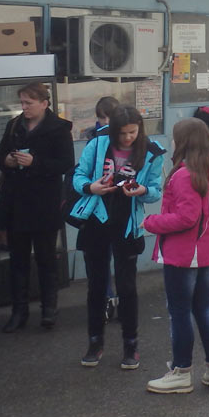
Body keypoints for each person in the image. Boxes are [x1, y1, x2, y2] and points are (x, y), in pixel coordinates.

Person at [70, 106, 164, 369]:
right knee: (96, 286)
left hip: (127, 222)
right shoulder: (97, 143)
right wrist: (92, 187)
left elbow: (156, 190)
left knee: (127, 287)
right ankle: (95, 342)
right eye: (122, 133)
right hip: (96, 218)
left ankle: (131, 345)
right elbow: (77, 176)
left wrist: (142, 189)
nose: (127, 139)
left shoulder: (152, 151)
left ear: (140, 129)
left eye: (132, 132)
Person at [143, 117, 209, 394]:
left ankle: (181, 371)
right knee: (204, 308)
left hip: (183, 254)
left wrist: (151, 222)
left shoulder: (183, 174)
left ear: (184, 142)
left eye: (175, 137)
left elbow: (186, 218)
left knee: (179, 312)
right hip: (205, 252)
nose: (172, 142)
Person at [0, 83, 74, 333]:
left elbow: (66, 164)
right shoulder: (15, 125)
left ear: (44, 103)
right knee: (18, 259)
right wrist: (6, 161)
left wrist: (35, 162)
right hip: (16, 201)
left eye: (29, 103)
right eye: (22, 103)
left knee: (45, 258)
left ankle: (49, 309)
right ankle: (19, 311)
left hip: (44, 202)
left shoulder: (59, 129)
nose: (24, 108)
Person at [82, 96, 121, 322]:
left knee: (107, 256)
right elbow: (81, 175)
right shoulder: (95, 139)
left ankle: (109, 298)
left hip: (105, 203)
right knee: (106, 256)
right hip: (103, 202)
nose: (104, 123)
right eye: (101, 118)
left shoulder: (93, 137)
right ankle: (109, 297)